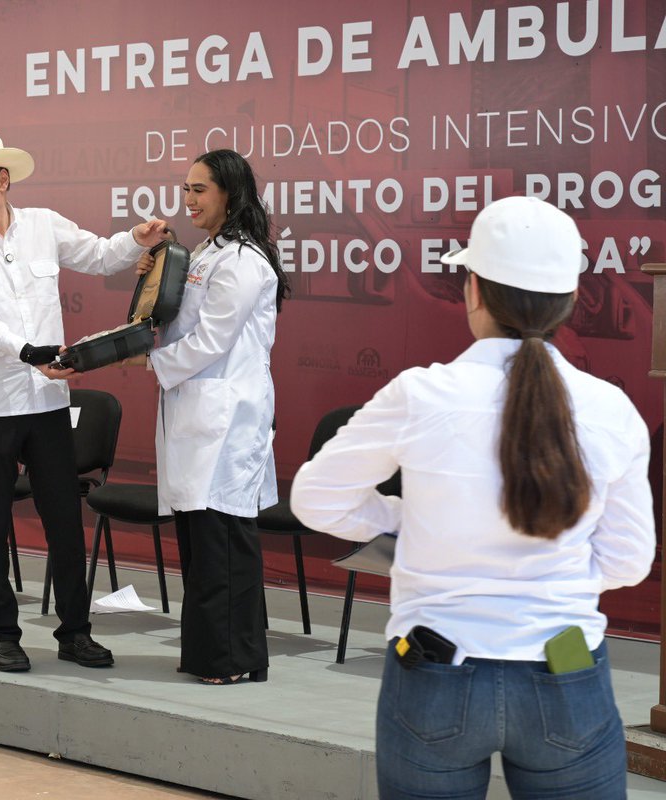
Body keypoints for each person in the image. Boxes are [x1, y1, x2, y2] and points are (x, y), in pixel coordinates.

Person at [290, 196, 655, 799]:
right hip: (565, 670)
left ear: (474, 291)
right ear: (567, 303)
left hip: (435, 673)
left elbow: (317, 500)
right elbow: (627, 561)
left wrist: (412, 523)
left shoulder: (421, 394)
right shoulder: (611, 409)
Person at [0, 130, 169, 672]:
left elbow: (103, 256)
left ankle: (75, 632)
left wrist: (137, 237)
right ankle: (2, 634)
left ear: (2, 179)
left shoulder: (43, 224)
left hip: (46, 401)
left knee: (64, 522)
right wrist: (28, 351)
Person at [145, 149, 288, 685]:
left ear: (230, 192)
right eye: (185, 189)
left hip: (228, 417)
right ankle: (221, 653)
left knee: (223, 543)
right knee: (203, 544)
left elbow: (212, 339)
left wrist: (150, 360)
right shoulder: (206, 252)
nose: (189, 199)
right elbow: (177, 319)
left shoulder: (245, 259)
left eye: (199, 189)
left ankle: (228, 659)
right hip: (197, 411)